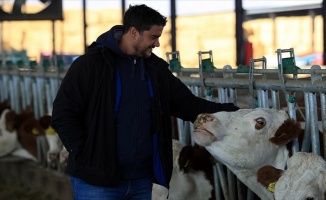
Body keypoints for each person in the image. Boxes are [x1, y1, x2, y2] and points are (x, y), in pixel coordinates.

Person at [51, 4, 239, 200]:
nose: (157, 44)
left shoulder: (155, 71)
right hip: (96, 181)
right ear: (133, 32)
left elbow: (190, 105)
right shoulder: (90, 65)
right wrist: (83, 153)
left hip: (141, 181)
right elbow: (63, 113)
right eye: (153, 37)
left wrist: (238, 113)